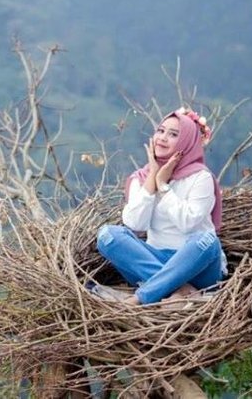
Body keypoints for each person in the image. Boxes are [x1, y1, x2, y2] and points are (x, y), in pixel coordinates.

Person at [94, 108, 226, 306]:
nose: (162, 138)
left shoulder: (201, 177)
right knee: (107, 235)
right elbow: (135, 224)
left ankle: (141, 297)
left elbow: (188, 223)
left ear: (186, 142)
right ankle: (180, 289)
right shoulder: (142, 177)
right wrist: (152, 179)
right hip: (153, 259)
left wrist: (163, 186)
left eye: (173, 134)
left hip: (197, 266)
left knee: (206, 240)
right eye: (161, 131)